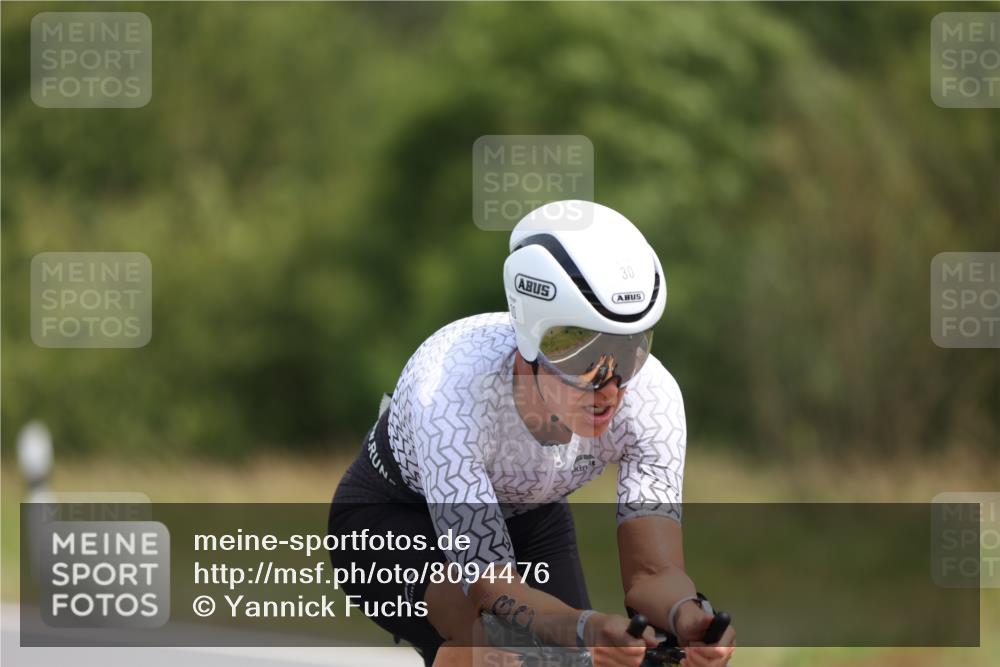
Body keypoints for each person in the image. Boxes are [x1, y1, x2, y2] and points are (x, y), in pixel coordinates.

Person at [328, 200, 736, 667]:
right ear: (531, 342)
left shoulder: (653, 396)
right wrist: (582, 631)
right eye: (584, 360)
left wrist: (689, 614)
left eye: (629, 353)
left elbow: (653, 572)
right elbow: (489, 588)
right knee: (497, 648)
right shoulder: (449, 391)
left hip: (529, 514)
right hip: (394, 517)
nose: (610, 389)